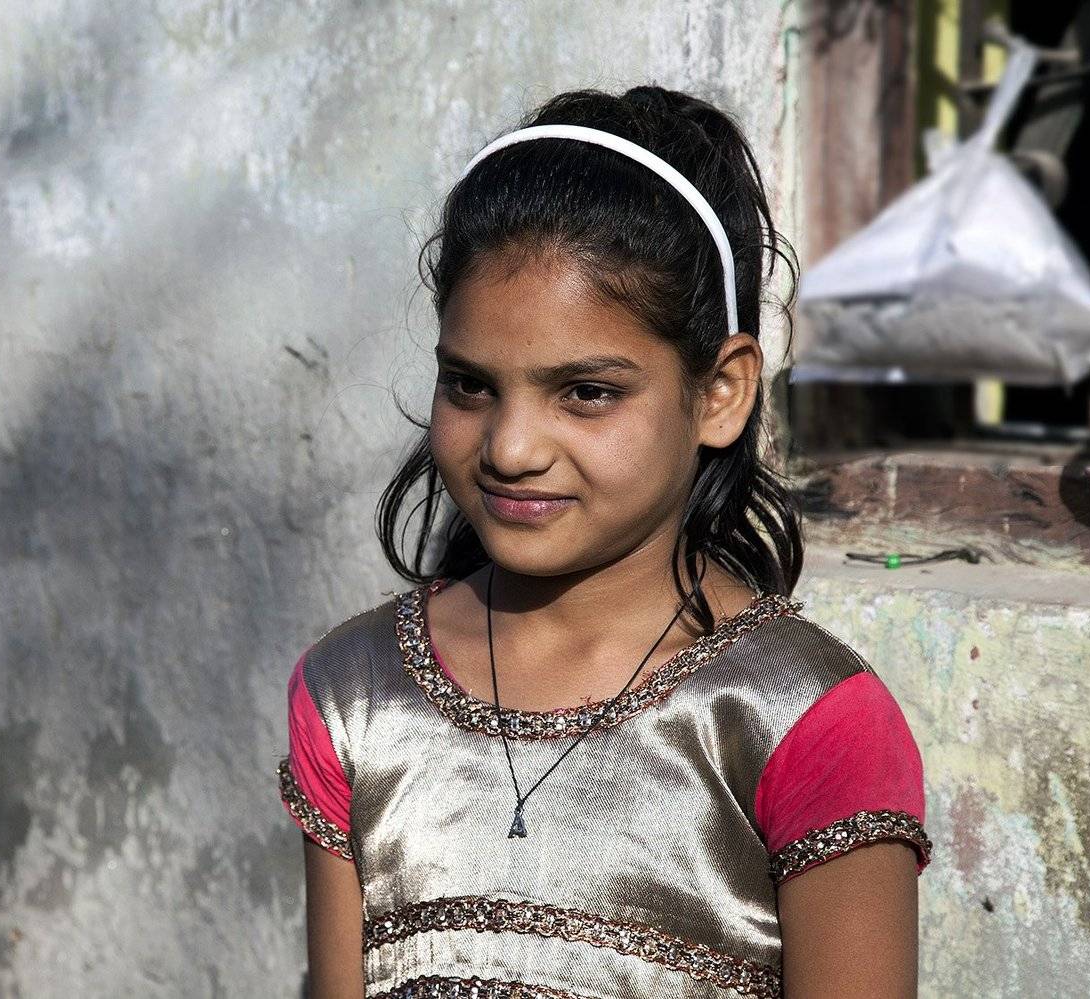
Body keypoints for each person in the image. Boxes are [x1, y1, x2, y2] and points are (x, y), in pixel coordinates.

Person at [275, 86, 931, 999]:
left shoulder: (804, 720)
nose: (511, 447)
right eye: (470, 385)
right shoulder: (356, 695)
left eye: (586, 392)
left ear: (720, 393)